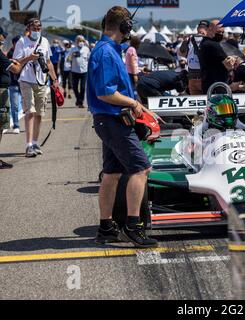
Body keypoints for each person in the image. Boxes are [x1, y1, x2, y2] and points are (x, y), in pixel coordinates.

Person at [87, 6, 158, 248]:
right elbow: (106, 93)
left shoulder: (110, 50)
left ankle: (106, 227)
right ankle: (132, 226)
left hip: (109, 121)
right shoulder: (106, 53)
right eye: (130, 25)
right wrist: (134, 102)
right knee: (141, 169)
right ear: (124, 27)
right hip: (113, 120)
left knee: (112, 173)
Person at [13, 18, 59, 158]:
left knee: (39, 113)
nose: (37, 30)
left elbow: (49, 62)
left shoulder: (44, 41)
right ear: (28, 28)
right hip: (26, 79)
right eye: (34, 28)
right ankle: (28, 145)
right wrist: (29, 58)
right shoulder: (22, 42)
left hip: (41, 80)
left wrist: (55, 79)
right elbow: (16, 62)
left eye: (39, 28)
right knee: (30, 111)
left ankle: (35, 142)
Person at [0, 27, 40, 168]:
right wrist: (28, 58)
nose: (3, 39)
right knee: (0, 125)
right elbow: (16, 69)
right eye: (2, 36)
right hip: (2, 91)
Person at [198, 20, 235, 94]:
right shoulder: (213, 45)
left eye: (222, 32)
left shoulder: (203, 43)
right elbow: (229, 65)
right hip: (217, 85)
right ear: (210, 29)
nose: (221, 34)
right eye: (218, 32)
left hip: (208, 83)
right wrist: (233, 59)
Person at [178, 20, 209, 95]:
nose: (201, 31)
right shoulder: (190, 39)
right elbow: (181, 53)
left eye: (203, 29)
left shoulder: (209, 40)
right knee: (197, 101)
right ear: (197, 29)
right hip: (193, 77)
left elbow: (181, 53)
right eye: (200, 28)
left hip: (203, 77)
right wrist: (185, 41)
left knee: (205, 101)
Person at [67, 35, 90, 108]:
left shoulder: (86, 49)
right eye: (79, 41)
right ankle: (78, 98)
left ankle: (80, 101)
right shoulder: (73, 49)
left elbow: (89, 59)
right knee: (75, 87)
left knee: (83, 87)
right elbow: (67, 59)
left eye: (82, 41)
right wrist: (72, 56)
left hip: (84, 71)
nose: (81, 42)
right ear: (76, 42)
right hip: (75, 71)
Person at [7, 35, 22, 134]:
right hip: (13, 84)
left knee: (29, 104)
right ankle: (16, 125)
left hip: (25, 82)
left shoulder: (24, 51)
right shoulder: (10, 53)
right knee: (14, 105)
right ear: (14, 43)